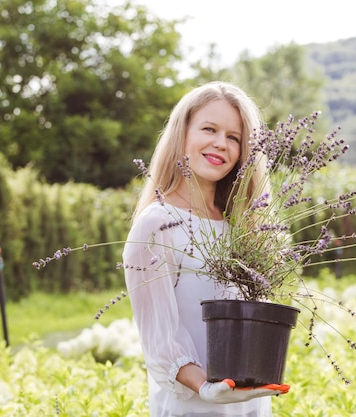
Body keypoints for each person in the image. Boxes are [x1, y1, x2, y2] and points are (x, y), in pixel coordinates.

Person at [122, 81, 289, 416]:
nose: (220, 144)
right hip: (194, 408)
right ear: (182, 133)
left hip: (249, 406)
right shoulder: (157, 223)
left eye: (234, 137)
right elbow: (160, 338)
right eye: (209, 129)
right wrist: (206, 389)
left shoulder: (242, 229)